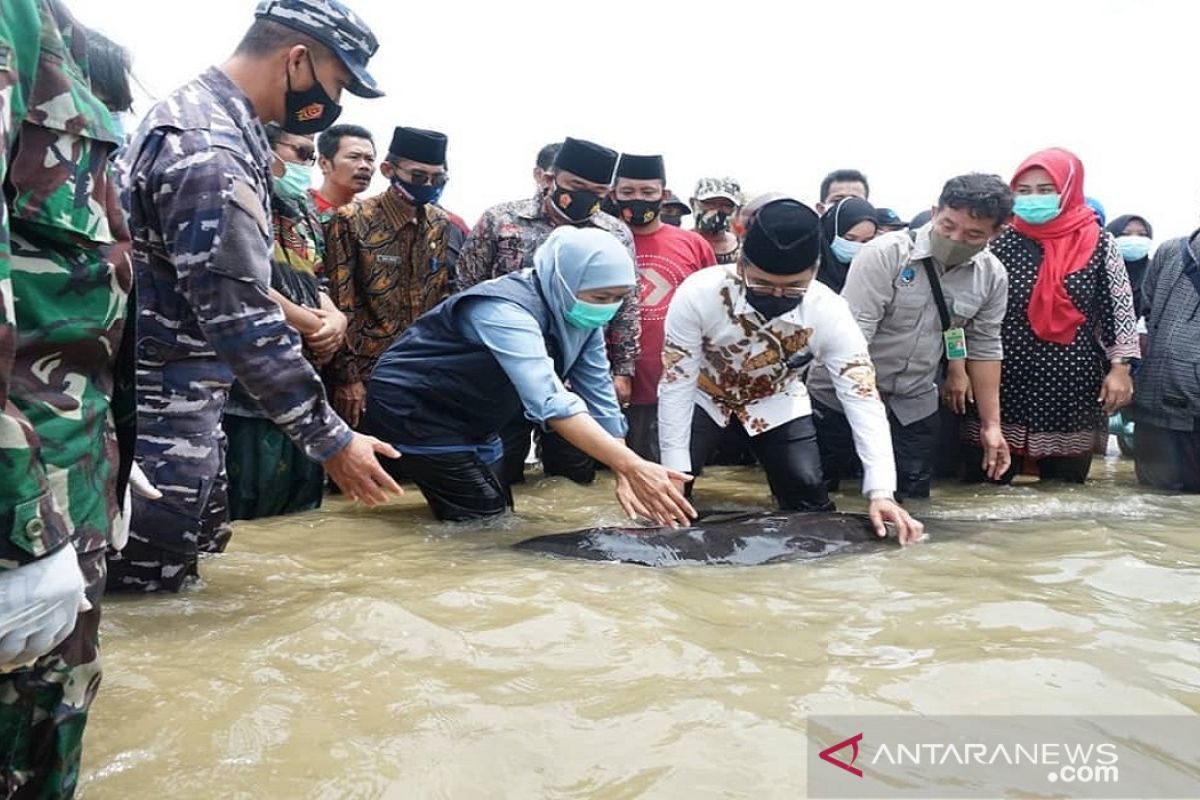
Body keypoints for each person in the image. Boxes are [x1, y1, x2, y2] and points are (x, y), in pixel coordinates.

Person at [109, 0, 403, 593]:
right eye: (337, 81)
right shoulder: (209, 148)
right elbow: (239, 313)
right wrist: (332, 441)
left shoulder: (218, 126)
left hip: (186, 408)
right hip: (160, 421)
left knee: (195, 596)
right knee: (151, 606)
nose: (335, 103)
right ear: (297, 62)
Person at [0, 2, 131, 794]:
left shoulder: (50, 27)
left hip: (67, 472)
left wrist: (118, 446)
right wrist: (17, 526)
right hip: (24, 498)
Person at [364, 227, 695, 526]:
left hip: (476, 413)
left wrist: (624, 469)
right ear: (565, 280)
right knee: (484, 520)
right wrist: (631, 465)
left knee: (500, 511)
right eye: (599, 298)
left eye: (618, 297)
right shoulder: (504, 310)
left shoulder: (579, 317)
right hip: (419, 408)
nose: (607, 308)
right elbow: (550, 401)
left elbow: (598, 393)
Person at [657, 198, 922, 543]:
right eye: (763, 286)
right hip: (702, 396)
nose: (778, 295)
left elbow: (862, 399)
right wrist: (676, 472)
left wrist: (881, 491)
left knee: (808, 499)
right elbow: (677, 383)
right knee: (665, 501)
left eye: (794, 287)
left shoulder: (830, 311)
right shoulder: (698, 293)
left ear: (814, 270)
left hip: (775, 399)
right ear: (741, 265)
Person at [809, 174, 1014, 498]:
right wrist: (868, 410)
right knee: (816, 495)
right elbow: (854, 337)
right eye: (948, 226)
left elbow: (983, 345)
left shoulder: (992, 276)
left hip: (913, 400)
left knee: (914, 502)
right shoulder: (884, 254)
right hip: (841, 395)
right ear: (934, 212)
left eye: (973, 234)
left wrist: (992, 425)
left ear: (997, 232)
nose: (956, 239)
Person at [455, 136, 640, 485]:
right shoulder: (501, 220)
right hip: (502, 369)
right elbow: (466, 290)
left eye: (598, 191)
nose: (586, 196)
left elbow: (626, 305)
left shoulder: (614, 232)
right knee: (500, 472)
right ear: (548, 178)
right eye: (576, 186)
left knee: (575, 478)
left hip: (578, 369)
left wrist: (623, 369)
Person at [961, 148, 1138, 484]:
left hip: (1071, 385)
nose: (1033, 199)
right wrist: (959, 366)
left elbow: (1119, 308)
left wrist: (1120, 368)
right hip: (1000, 379)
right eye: (1024, 191)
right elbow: (968, 308)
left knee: (1065, 496)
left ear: (1069, 189)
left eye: (1045, 190)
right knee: (984, 488)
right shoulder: (998, 239)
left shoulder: (1100, 242)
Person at [222, 122, 347, 520]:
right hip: (247, 387)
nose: (307, 165)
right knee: (246, 515)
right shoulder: (236, 198)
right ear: (264, 149)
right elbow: (239, 279)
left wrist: (336, 318)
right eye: (301, 154)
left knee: (302, 520)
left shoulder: (304, 208)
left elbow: (317, 275)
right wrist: (312, 325)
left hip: (305, 381)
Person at [324, 126, 458, 428]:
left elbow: (438, 300)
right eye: (419, 177)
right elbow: (341, 304)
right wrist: (347, 380)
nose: (428, 185)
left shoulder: (439, 223)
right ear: (388, 170)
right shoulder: (352, 220)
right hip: (369, 373)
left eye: (438, 179)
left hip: (422, 368)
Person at [611, 153, 716, 460]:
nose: (638, 199)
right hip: (611, 381)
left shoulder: (693, 244)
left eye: (648, 192)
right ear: (613, 194)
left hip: (678, 380)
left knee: (671, 469)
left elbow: (714, 308)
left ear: (664, 195)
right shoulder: (599, 239)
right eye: (628, 192)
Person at [1130, 225, 1200, 491]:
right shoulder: (1170, 251)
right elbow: (1146, 312)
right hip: (1154, 403)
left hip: (1194, 410)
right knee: (1152, 502)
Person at [311, 122, 375, 220]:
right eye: (354, 157)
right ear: (324, 163)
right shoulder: (299, 211)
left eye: (369, 159)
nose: (365, 166)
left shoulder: (371, 218)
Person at [816, 196, 879, 293]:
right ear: (831, 231)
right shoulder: (810, 262)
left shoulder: (873, 269)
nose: (856, 246)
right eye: (849, 239)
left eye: (865, 241)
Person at [1107, 214, 1154, 318]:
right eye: (1125, 234)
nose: (1134, 239)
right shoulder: (1098, 270)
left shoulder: (1156, 272)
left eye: (1142, 235)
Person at [690, 177, 743, 265]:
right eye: (709, 202)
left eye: (726, 205)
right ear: (692, 203)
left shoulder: (744, 249)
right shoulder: (680, 244)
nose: (717, 209)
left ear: (736, 210)